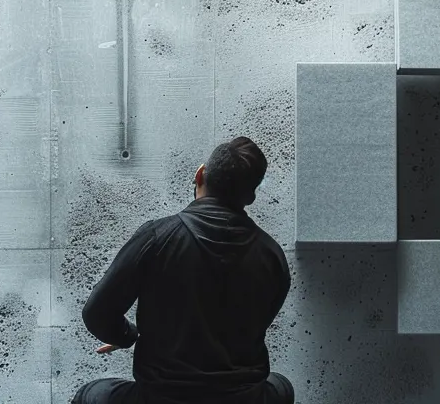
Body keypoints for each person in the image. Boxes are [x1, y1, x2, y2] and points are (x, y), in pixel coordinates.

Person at [73, 137, 295, 404]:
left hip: (161, 397)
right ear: (250, 196)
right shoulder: (272, 256)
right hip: (241, 397)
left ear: (200, 174)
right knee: (281, 387)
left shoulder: (157, 237)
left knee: (89, 395)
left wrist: (127, 335)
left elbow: (97, 313)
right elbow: (258, 325)